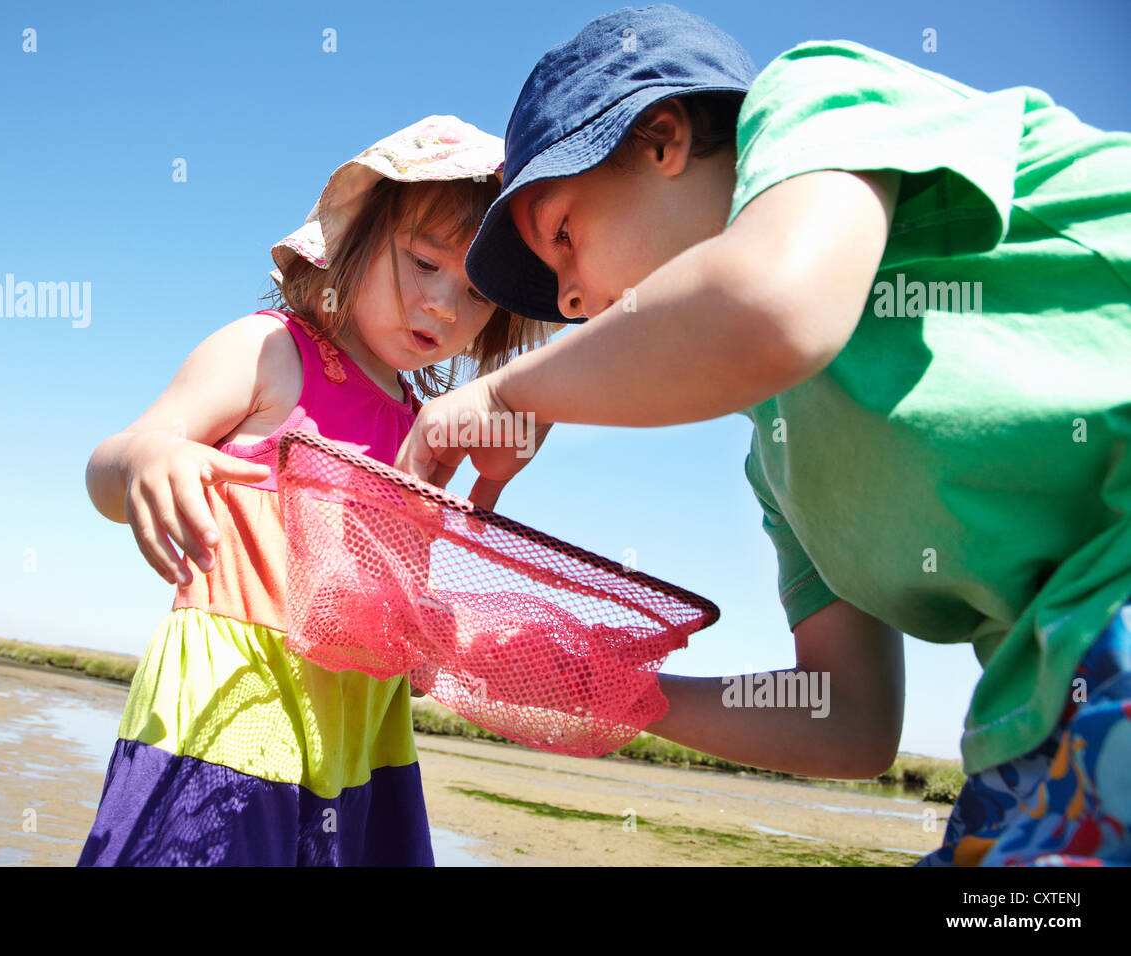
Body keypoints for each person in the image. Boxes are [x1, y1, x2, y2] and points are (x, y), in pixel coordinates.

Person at [394, 5, 1131, 865]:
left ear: (663, 139)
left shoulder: (819, 96)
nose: (570, 301)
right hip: (1037, 731)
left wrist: (511, 392)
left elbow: (770, 305)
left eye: (563, 237)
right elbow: (848, 718)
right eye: (557, 289)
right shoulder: (782, 465)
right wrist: (615, 689)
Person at [75, 115, 554, 866]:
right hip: (234, 697)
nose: (444, 306)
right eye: (424, 263)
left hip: (360, 727)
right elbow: (107, 465)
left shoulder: (427, 430)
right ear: (351, 241)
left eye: (478, 295)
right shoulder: (269, 351)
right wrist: (143, 460)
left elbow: (403, 586)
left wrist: (430, 630)